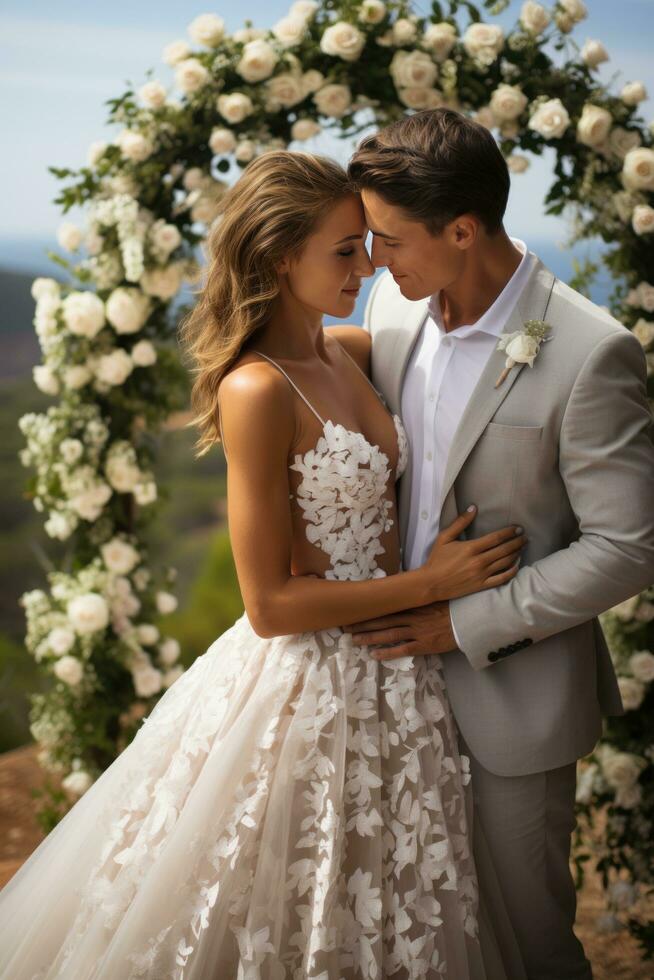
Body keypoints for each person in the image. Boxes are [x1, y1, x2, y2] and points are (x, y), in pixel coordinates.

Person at [0, 151, 528, 979]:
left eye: (369, 245)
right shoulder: (258, 389)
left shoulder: (352, 351)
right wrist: (436, 582)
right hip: (308, 685)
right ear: (282, 256)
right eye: (345, 251)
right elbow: (270, 606)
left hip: (405, 681)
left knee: (403, 906)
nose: (369, 267)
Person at [345, 108, 654, 980]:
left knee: (531, 939)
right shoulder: (393, 313)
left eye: (389, 240)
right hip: (388, 690)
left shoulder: (593, 353)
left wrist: (463, 623)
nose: (374, 261)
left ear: (464, 230)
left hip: (514, 697)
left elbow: (629, 546)